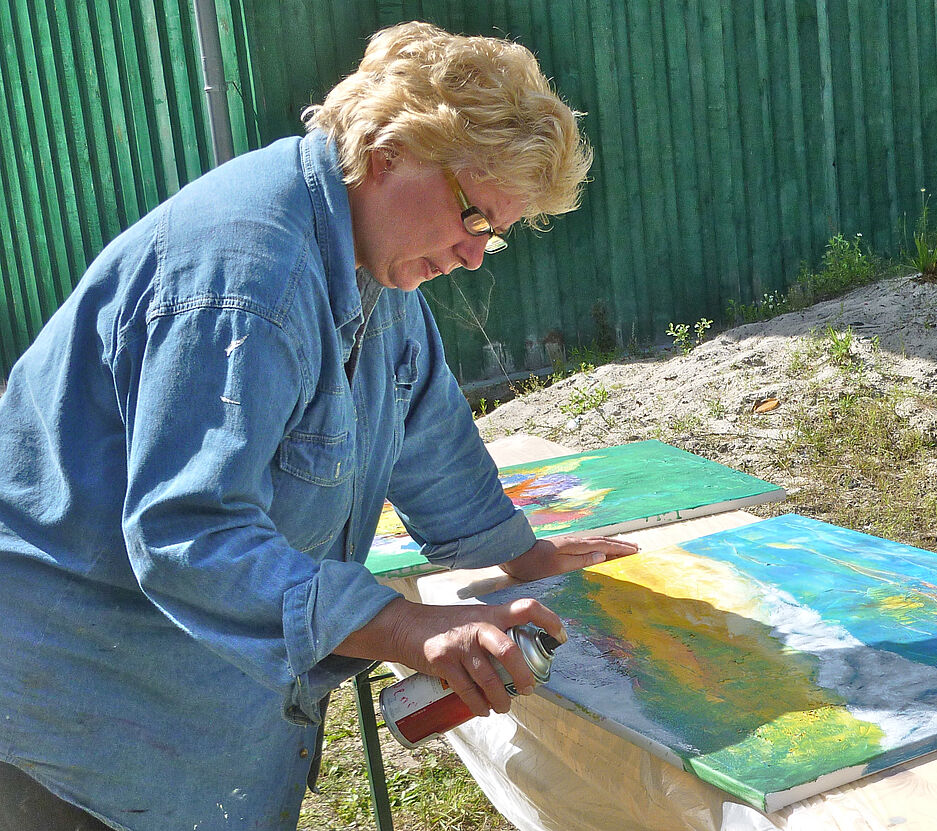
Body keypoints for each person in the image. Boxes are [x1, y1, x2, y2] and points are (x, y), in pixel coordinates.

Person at [0, 20, 637, 831]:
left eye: (495, 236)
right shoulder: (246, 281)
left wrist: (520, 557)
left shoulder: (371, 254)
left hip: (185, 697)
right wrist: (405, 625)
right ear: (389, 153)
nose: (475, 255)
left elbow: (424, 425)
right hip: (80, 713)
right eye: (475, 219)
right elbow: (188, 532)